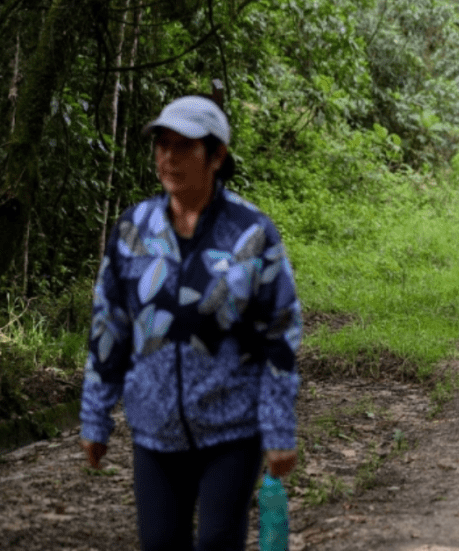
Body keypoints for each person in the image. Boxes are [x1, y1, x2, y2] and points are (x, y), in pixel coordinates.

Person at [79, 96, 302, 550]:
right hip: (154, 429)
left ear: (216, 156)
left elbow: (279, 332)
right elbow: (110, 326)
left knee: (219, 541)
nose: (168, 157)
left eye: (184, 147)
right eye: (163, 144)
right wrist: (94, 416)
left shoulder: (251, 234)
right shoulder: (133, 230)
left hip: (232, 426)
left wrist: (279, 428)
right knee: (161, 544)